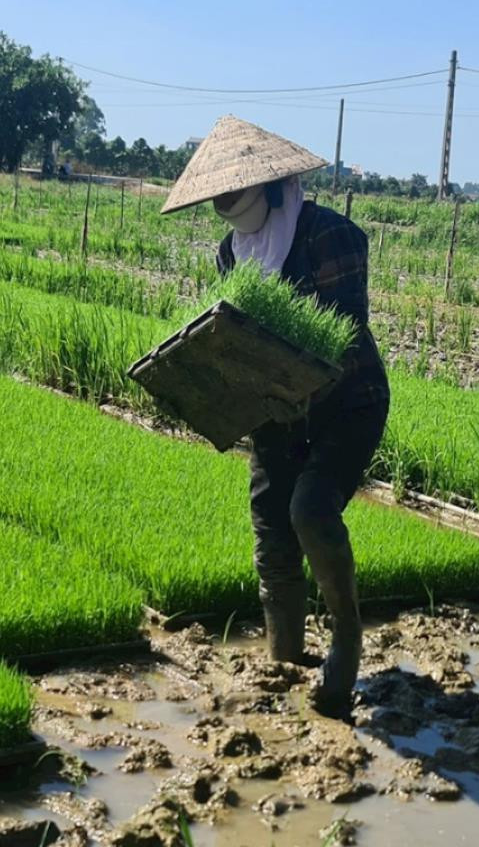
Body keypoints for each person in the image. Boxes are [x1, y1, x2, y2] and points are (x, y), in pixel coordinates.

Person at [159, 116, 389, 716]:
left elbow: (342, 335)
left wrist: (295, 384)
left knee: (310, 509)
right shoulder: (232, 251)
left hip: (347, 402)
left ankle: (345, 638)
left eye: (233, 190)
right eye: (216, 196)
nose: (223, 203)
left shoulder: (329, 236)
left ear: (268, 184)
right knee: (269, 523)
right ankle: (285, 655)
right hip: (274, 406)